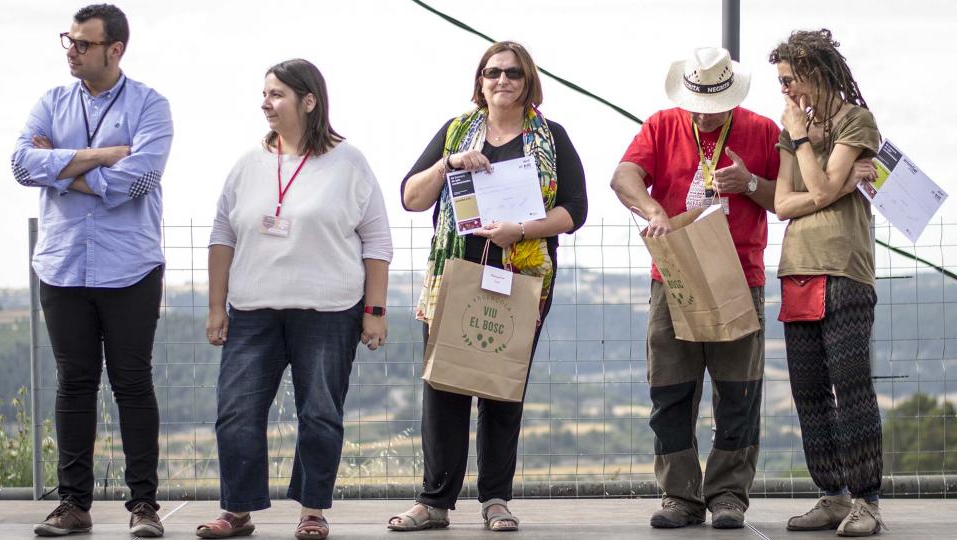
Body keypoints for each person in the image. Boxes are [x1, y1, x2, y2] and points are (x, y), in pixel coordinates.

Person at [387, 41, 587, 532]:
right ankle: (434, 502)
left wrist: (520, 231)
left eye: (513, 73)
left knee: (502, 390)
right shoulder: (456, 132)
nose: (502, 80)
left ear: (528, 81)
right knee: (443, 388)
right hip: (454, 276)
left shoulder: (552, 138)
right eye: (492, 72)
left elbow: (574, 211)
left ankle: (496, 499)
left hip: (520, 282)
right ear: (480, 81)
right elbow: (411, 197)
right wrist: (448, 164)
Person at [194, 58, 392, 540]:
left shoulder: (350, 162)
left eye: (277, 94)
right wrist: (217, 305)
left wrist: (375, 311)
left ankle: (312, 511)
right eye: (264, 93)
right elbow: (222, 235)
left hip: (329, 312)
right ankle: (237, 511)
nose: (266, 103)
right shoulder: (247, 164)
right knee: (236, 410)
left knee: (319, 412)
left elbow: (377, 241)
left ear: (309, 101)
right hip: (252, 310)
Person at [11, 4, 172, 537]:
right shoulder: (50, 101)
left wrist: (58, 167)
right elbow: (18, 165)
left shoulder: (151, 105)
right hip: (61, 266)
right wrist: (100, 155)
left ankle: (143, 508)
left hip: (130, 268)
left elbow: (138, 181)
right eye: (69, 41)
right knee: (73, 385)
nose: (71, 51)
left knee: (132, 383)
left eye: (82, 43)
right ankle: (73, 505)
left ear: (115, 49)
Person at [610, 47, 779, 529]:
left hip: (740, 275)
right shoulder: (661, 125)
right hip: (675, 274)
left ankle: (728, 495)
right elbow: (623, 176)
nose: (705, 115)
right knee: (670, 389)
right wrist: (654, 211)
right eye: (697, 105)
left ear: (733, 97)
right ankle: (680, 496)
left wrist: (749, 182)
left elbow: (784, 199)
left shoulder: (763, 129)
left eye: (715, 106)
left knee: (738, 391)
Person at [770, 29, 887, 537]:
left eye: (789, 80)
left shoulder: (855, 121)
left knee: (851, 384)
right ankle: (833, 494)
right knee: (809, 388)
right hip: (798, 265)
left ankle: (868, 501)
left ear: (814, 73)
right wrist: (825, 180)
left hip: (844, 266)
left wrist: (803, 146)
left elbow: (812, 188)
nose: (785, 92)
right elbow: (783, 204)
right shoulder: (794, 126)